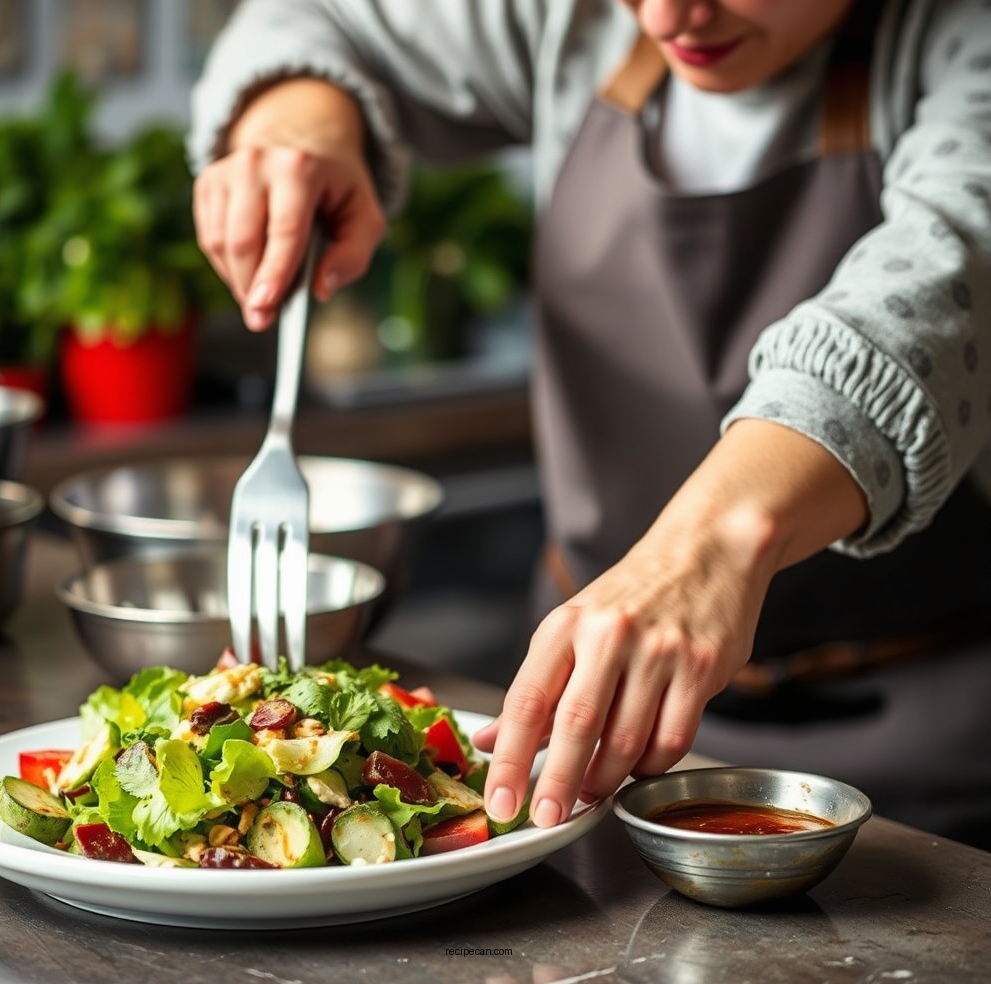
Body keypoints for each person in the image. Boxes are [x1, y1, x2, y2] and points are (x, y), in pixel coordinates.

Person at [189, 0, 991, 847]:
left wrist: (709, 547)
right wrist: (297, 126)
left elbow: (940, 284)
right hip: (587, 751)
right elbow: (318, 18)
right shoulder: (570, 18)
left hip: (925, 773)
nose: (669, 14)